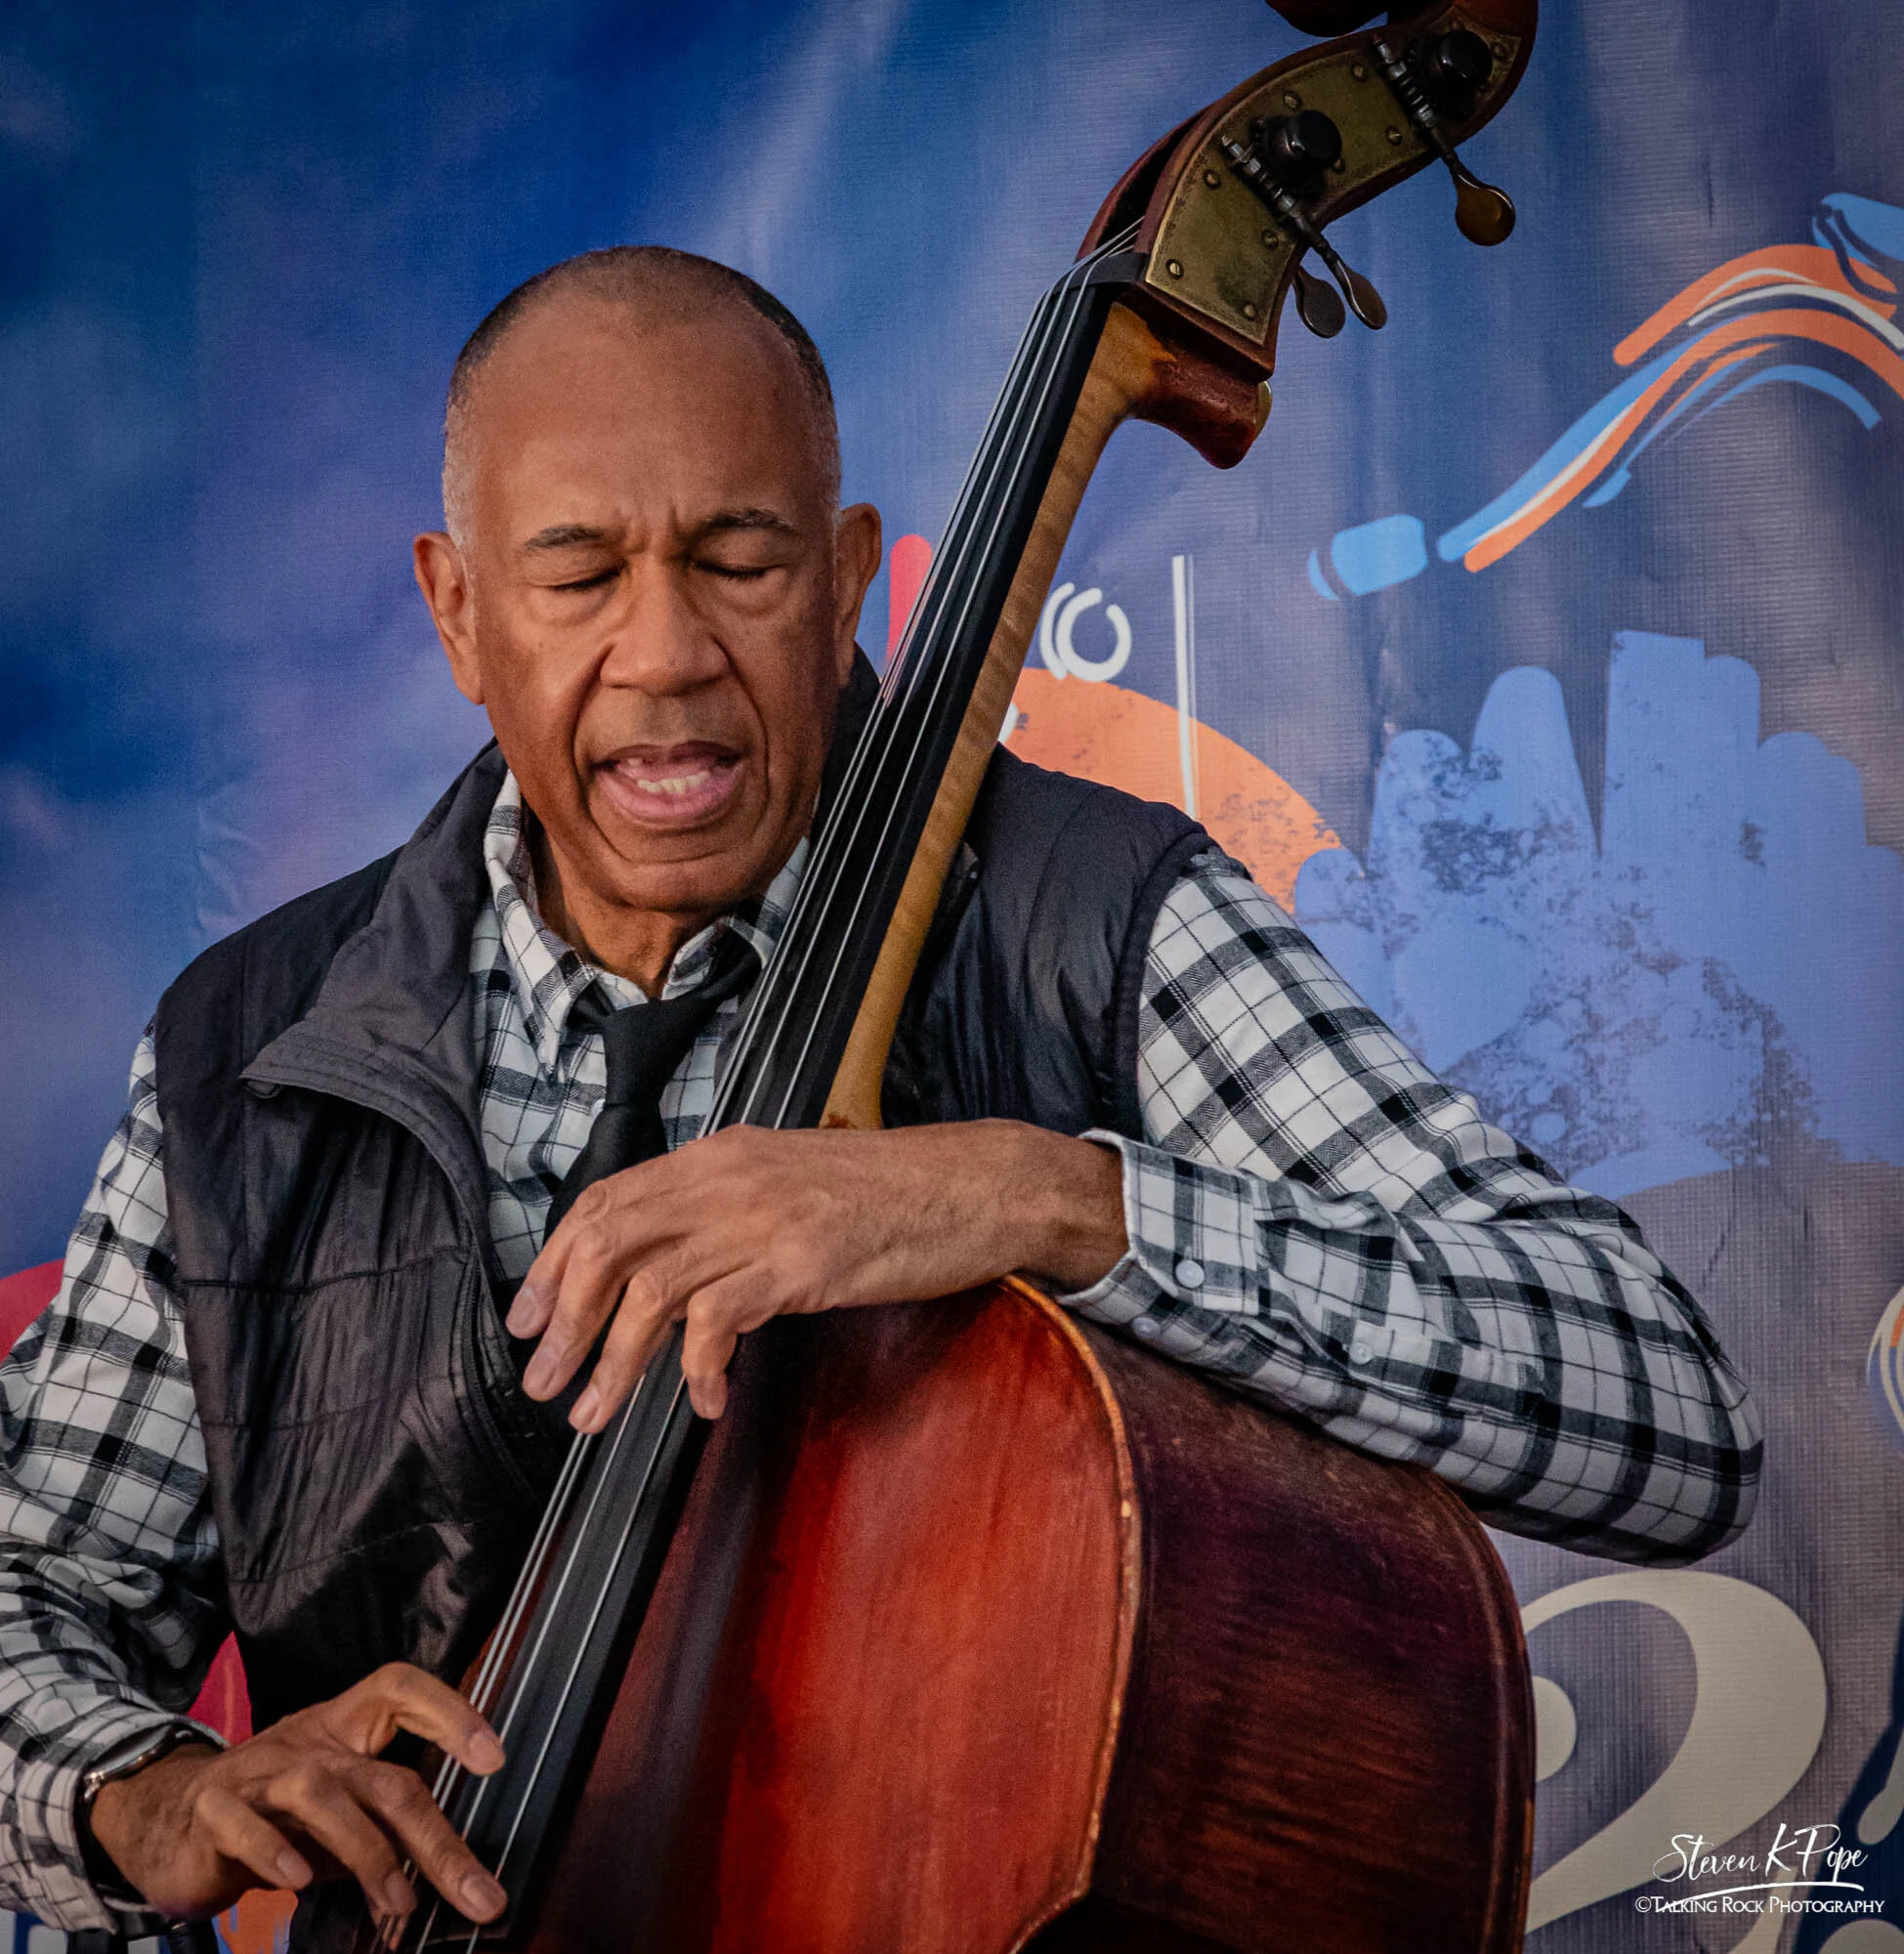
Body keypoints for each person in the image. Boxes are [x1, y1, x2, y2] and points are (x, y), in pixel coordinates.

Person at [0, 246, 1761, 1945]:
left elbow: (1664, 1414)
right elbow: (34, 1588)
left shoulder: (1094, 921)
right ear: (458, 612)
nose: (666, 651)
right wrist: (139, 1797)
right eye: (578, 575)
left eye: (739, 560)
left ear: (849, 574)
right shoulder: (246, 1051)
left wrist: (1040, 1195)